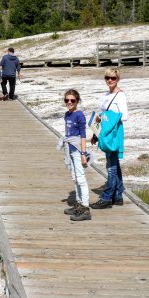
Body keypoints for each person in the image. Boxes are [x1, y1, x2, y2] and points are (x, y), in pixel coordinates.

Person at [90, 68, 128, 209]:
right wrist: (96, 133)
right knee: (114, 164)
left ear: (118, 79)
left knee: (111, 167)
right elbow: (103, 115)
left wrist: (109, 117)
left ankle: (107, 197)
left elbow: (124, 116)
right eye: (107, 78)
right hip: (105, 132)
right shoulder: (107, 94)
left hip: (114, 133)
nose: (110, 80)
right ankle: (118, 196)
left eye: (113, 78)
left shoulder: (120, 95)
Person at [60, 89, 91, 221]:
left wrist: (83, 153)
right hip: (70, 149)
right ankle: (78, 203)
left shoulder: (79, 115)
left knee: (80, 177)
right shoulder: (67, 114)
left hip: (78, 150)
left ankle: (85, 208)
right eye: (67, 100)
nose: (69, 102)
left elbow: (83, 136)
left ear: (77, 101)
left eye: (72, 100)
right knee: (74, 177)